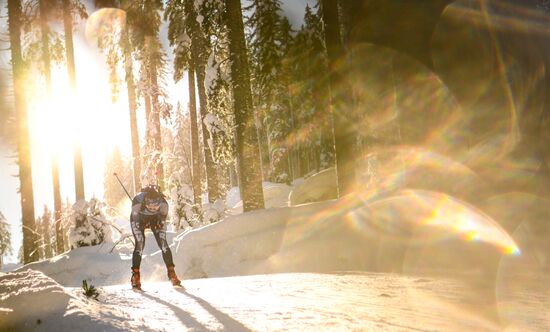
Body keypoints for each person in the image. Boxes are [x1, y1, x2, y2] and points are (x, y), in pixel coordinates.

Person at [130, 184, 181, 289]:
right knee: (140, 243)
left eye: (155, 206)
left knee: (163, 243)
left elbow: (162, 218)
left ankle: (171, 273)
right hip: (139, 219)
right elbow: (135, 218)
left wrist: (159, 223)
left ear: (159, 203)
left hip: (155, 219)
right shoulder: (137, 201)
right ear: (145, 202)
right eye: (150, 206)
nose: (153, 208)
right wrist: (141, 224)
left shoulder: (164, 204)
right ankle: (135, 275)